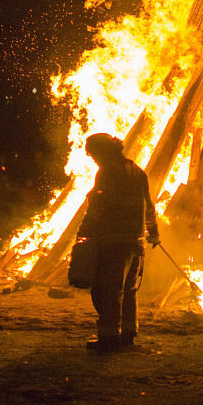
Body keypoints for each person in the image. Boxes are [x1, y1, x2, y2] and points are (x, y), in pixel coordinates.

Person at [77, 133, 160, 352]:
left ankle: (108, 337)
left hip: (112, 240)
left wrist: (84, 230)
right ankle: (128, 333)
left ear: (102, 152)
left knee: (107, 290)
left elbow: (98, 205)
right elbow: (148, 205)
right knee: (129, 290)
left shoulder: (108, 171)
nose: (93, 159)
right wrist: (153, 231)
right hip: (135, 241)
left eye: (93, 154)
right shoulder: (138, 172)